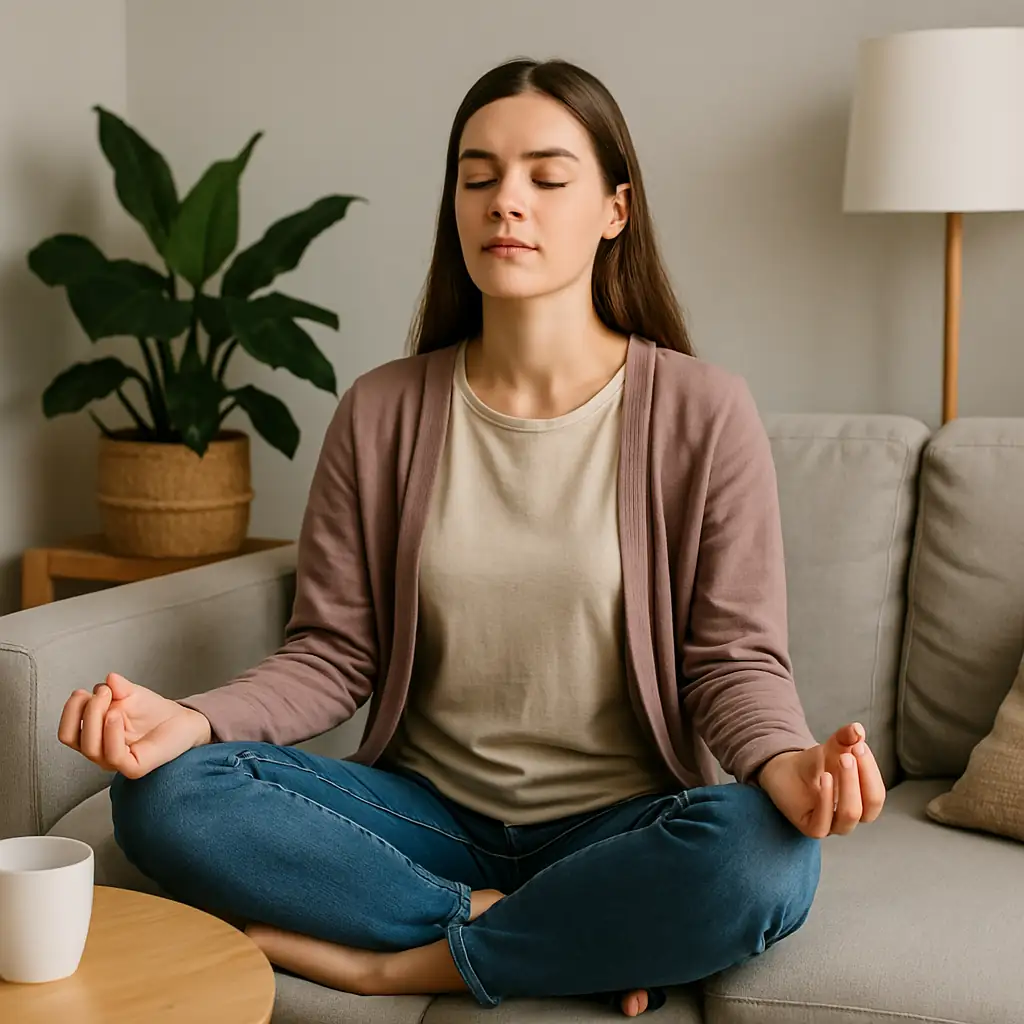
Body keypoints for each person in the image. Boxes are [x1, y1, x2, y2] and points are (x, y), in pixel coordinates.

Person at [57, 57, 885, 1017]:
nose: (507, 203)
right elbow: (332, 654)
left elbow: (731, 661)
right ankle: (546, 929)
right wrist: (194, 720)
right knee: (162, 797)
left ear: (616, 208)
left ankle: (402, 959)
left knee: (766, 858)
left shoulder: (704, 413)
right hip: (421, 820)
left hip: (621, 824)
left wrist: (788, 766)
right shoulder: (381, 411)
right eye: (478, 176)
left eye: (546, 175)